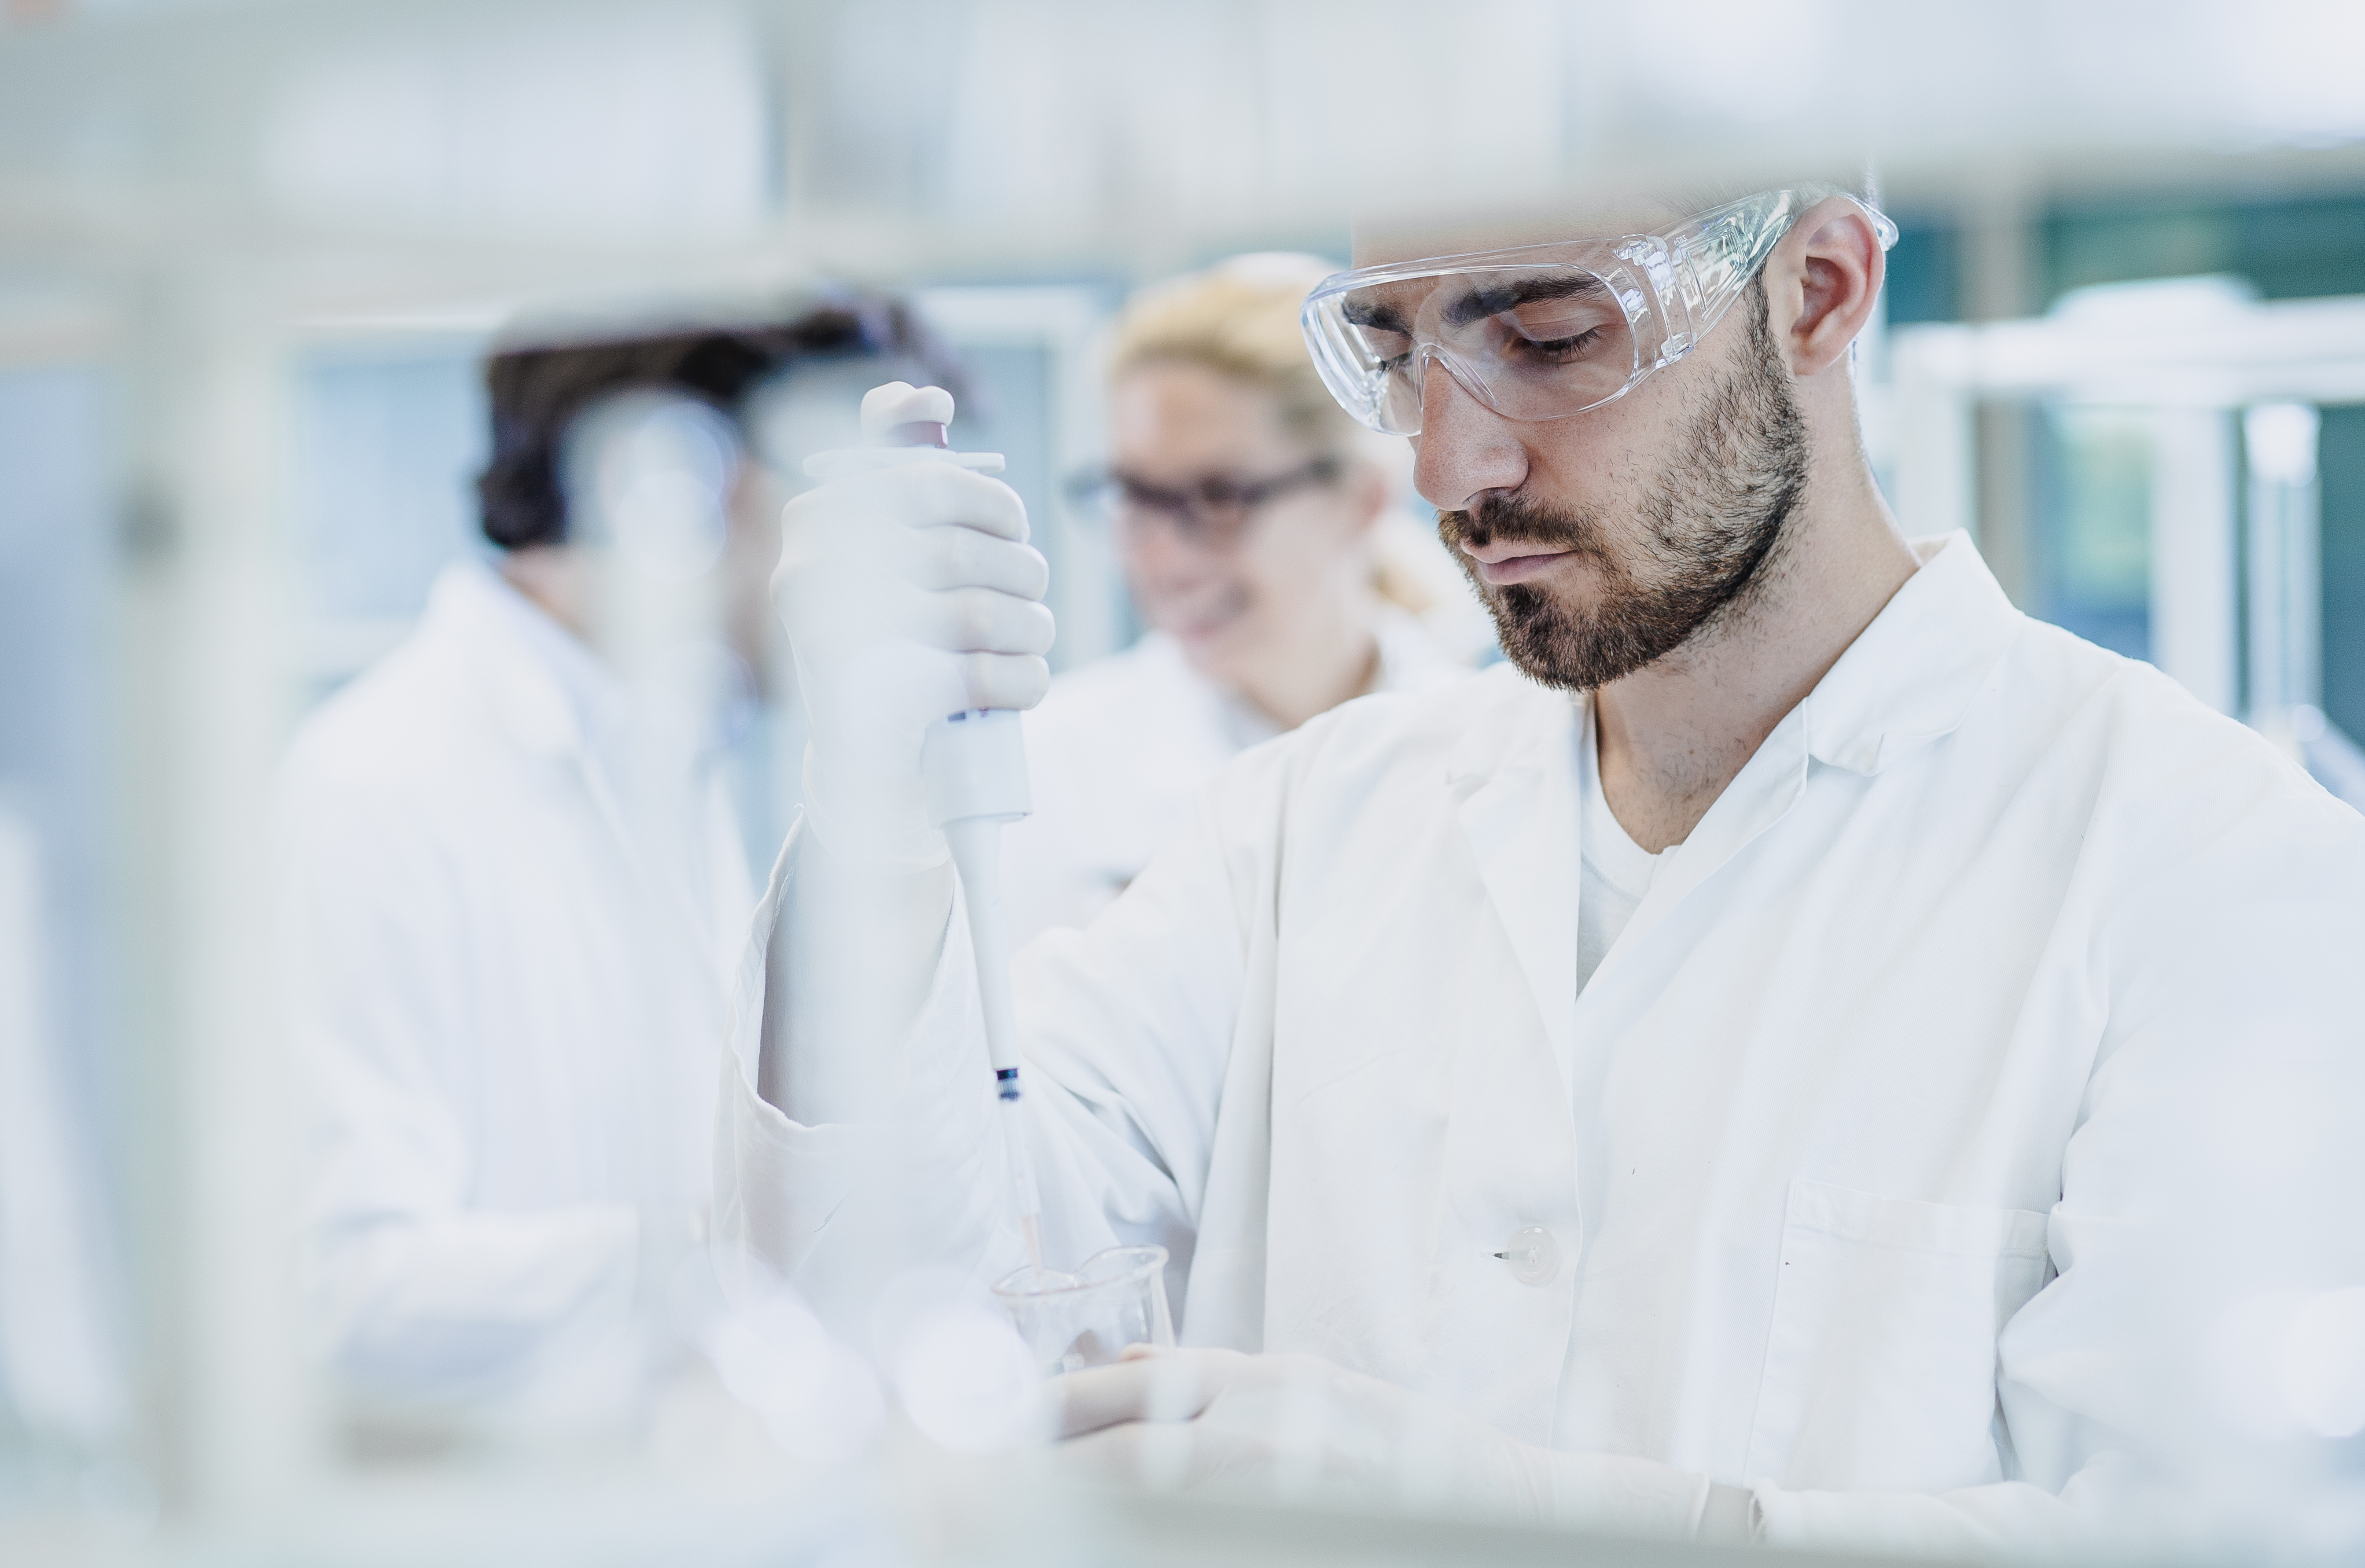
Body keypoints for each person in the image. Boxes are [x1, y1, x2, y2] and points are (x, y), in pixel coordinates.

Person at [725, 184, 2365, 1554]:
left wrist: (1501, 1514)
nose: (1447, 467)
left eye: (1547, 336)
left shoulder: (2213, 873)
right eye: (1394, 348)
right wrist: (874, 827)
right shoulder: (1299, 829)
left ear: (1814, 289)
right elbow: (916, 1286)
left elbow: (2216, 1533)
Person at [279, 297, 962, 1414]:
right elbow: (342, 1293)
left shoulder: (673, 745)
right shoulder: (376, 780)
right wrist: (740, 1238)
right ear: (701, 490)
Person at [1002, 256, 1477, 946]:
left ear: (1362, 499)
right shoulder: (1041, 777)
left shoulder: (1488, 758)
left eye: (1218, 497)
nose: (1162, 559)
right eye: (1134, 496)